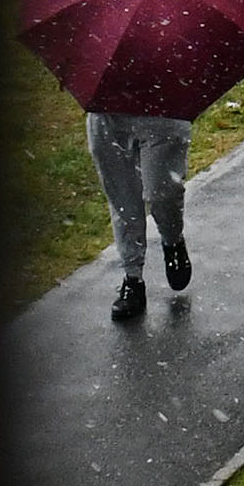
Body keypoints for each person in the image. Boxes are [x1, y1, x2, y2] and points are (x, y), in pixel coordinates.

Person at [89, 107, 193, 326]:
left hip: (162, 111)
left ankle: (173, 239)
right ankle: (133, 277)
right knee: (123, 201)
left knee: (162, 194)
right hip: (107, 114)